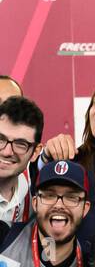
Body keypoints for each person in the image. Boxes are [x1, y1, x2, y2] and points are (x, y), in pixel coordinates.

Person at [0, 95, 42, 228]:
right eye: (0, 139)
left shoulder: (34, 198)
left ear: (35, 152)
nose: (7, 152)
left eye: (20, 144)